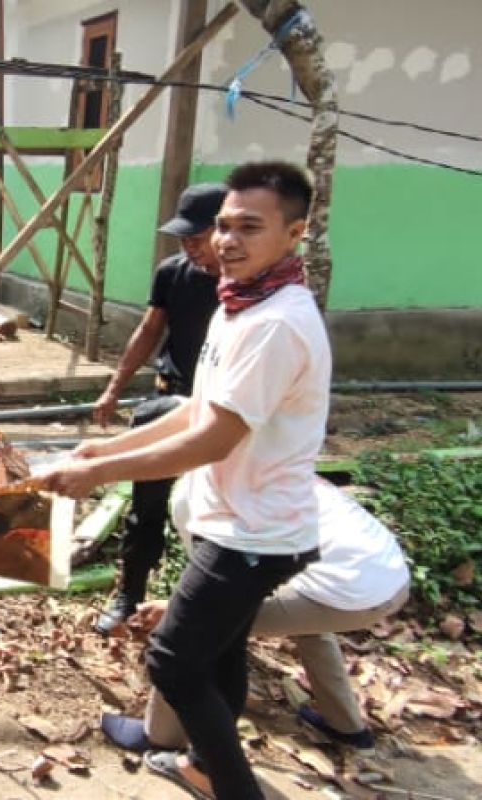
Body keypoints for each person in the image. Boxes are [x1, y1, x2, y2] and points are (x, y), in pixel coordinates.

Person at [42, 161, 330, 799]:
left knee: (172, 659)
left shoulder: (276, 322)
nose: (228, 240)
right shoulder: (241, 303)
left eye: (250, 227)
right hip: (235, 518)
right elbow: (198, 410)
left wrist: (98, 471)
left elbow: (212, 440)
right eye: (224, 226)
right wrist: (106, 445)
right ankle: (204, 762)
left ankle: (234, 788)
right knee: (220, 655)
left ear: (295, 233)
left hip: (255, 533)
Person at [100, 477, 411, 758]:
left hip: (345, 591)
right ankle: (347, 727)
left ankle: (161, 736)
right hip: (391, 581)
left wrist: (176, 608)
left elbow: (211, 588)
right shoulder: (276, 467)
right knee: (311, 628)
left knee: (188, 630)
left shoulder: (194, 493)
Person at [89, 183, 226, 635]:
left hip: (223, 411)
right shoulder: (172, 273)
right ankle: (131, 594)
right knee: (146, 506)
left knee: (213, 510)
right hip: (172, 398)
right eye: (183, 238)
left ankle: (198, 605)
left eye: (197, 236)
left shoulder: (245, 286)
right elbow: (149, 331)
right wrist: (114, 388)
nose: (189, 246)